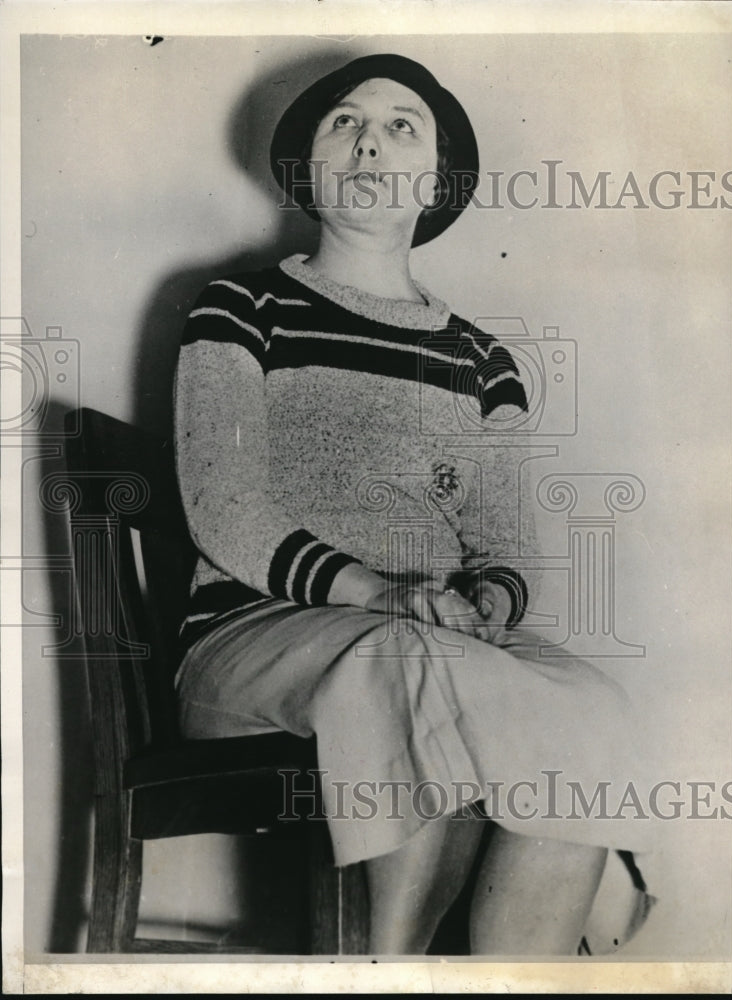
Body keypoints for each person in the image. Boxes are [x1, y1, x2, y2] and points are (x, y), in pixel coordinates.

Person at [172, 53, 654, 956]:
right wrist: (382, 594)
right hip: (254, 646)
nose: (371, 143)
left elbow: (508, 542)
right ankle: (385, 968)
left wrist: (488, 606)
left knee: (590, 700)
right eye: (344, 122)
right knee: (418, 668)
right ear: (307, 164)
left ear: (433, 179)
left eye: (404, 127)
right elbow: (222, 505)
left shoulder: (481, 359)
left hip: (427, 644)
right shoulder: (243, 306)